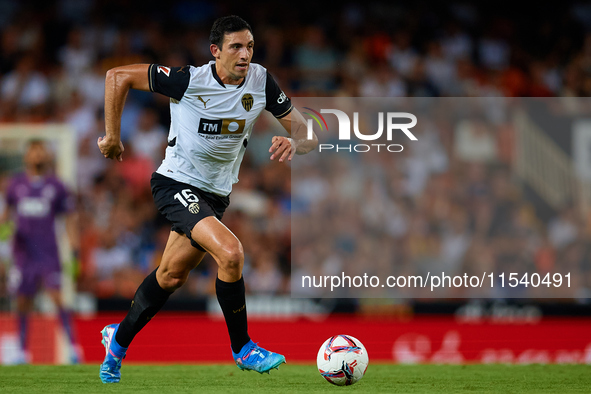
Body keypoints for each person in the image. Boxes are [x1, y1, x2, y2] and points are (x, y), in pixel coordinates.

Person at [97, 15, 318, 383]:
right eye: (235, 46)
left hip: (215, 195)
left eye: (249, 46)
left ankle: (116, 342)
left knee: (170, 276)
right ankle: (244, 348)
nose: (245, 54)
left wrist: (295, 141)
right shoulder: (189, 80)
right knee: (230, 253)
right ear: (215, 51)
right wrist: (112, 137)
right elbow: (116, 77)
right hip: (175, 183)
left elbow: (308, 134)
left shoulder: (261, 81)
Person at [1, 140, 81, 364]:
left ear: (47, 156)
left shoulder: (57, 186)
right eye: (34, 150)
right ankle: (21, 350)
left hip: (48, 252)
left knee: (57, 297)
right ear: (26, 156)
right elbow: (6, 217)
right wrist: (4, 231)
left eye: (41, 150)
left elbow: (69, 220)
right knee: (22, 300)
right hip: (22, 254)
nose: (38, 154)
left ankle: (73, 348)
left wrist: (74, 252)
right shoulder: (15, 184)